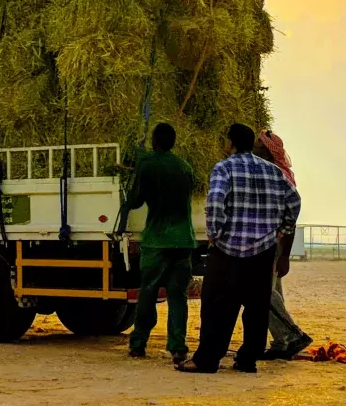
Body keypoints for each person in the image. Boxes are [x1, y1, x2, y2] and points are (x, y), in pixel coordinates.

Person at [178, 124, 300, 375]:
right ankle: (248, 360)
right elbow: (294, 202)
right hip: (263, 251)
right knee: (256, 308)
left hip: (227, 251)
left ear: (230, 143)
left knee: (216, 306)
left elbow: (215, 204)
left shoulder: (224, 168)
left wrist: (215, 236)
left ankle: (207, 360)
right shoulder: (273, 171)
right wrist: (283, 229)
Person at [122, 122, 197, 364]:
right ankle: (178, 346)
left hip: (157, 239)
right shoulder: (185, 166)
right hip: (183, 238)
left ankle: (138, 343)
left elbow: (135, 200)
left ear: (154, 141)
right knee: (178, 295)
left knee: (148, 291)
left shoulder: (147, 165)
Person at [253, 130, 312, 361]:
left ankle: (292, 334)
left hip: (272, 241)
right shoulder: (278, 173)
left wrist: (284, 254)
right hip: (274, 241)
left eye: (258, 144)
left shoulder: (278, 176)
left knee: (262, 292)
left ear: (267, 150)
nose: (254, 147)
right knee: (274, 292)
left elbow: (291, 216)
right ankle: (281, 343)